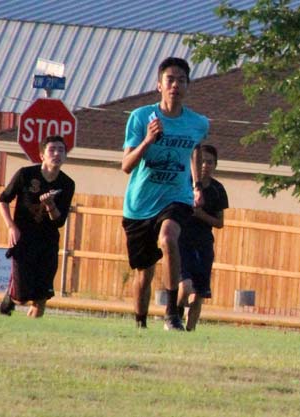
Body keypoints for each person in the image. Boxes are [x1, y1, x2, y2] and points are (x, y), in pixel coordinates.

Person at [121, 57, 208, 331]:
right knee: (144, 274)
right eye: (170, 80)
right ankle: (140, 324)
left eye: (181, 80)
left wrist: (196, 186)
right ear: (159, 85)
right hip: (140, 203)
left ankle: (172, 313)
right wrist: (148, 139)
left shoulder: (198, 122)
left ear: (188, 86)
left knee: (169, 237)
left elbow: (196, 148)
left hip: (176, 197)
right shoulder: (140, 118)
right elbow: (126, 166)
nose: (175, 85)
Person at [0, 135, 75, 318]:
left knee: (41, 298)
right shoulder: (25, 175)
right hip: (24, 241)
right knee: (22, 299)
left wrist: (50, 205)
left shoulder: (67, 184)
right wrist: (11, 227)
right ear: (42, 155)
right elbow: (3, 200)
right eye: (52, 150)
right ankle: (11, 297)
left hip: (47, 244)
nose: (57, 153)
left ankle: (31, 334)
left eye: (61, 150)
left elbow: (59, 221)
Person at [177, 145, 228, 331]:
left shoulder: (218, 190)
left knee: (199, 293)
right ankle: (175, 316)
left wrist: (201, 215)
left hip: (204, 245)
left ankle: (190, 331)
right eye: (202, 161)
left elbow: (219, 222)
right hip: (182, 242)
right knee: (185, 287)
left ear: (216, 165)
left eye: (210, 162)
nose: (205, 165)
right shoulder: (184, 183)